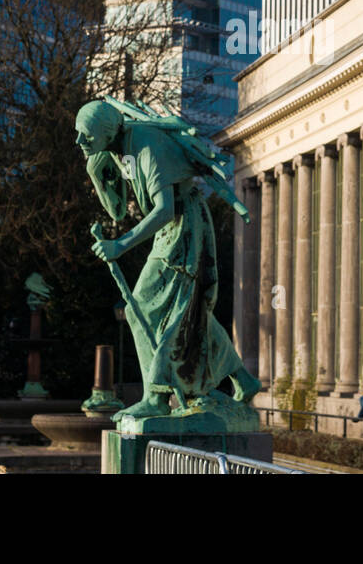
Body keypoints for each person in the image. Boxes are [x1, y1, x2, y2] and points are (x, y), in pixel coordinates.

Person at [77, 100, 260, 422]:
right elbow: (118, 211)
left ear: (107, 131)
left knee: (140, 309)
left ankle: (156, 397)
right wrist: (95, 170)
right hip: (174, 227)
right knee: (187, 309)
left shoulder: (147, 147)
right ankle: (243, 380)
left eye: (86, 136)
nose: (80, 141)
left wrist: (121, 245)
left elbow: (164, 210)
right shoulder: (122, 147)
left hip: (184, 227)